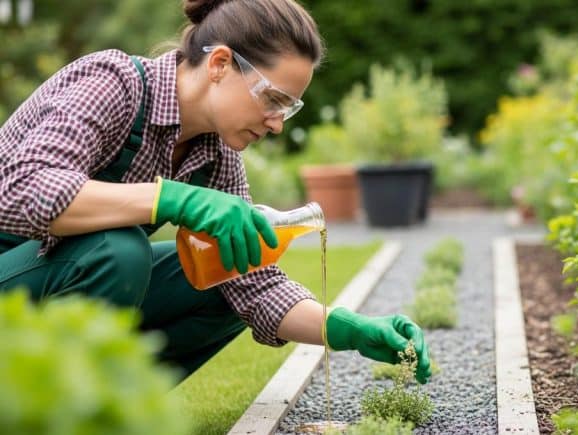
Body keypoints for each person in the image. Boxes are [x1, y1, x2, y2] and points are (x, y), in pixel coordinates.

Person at [0, 0, 431, 384]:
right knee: (118, 251)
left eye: (288, 108)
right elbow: (22, 189)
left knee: (223, 269)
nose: (278, 123)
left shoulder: (215, 155)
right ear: (220, 64)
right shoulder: (112, 84)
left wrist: (346, 328)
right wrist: (173, 198)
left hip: (38, 287)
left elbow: (253, 282)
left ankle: (115, 405)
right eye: (274, 99)